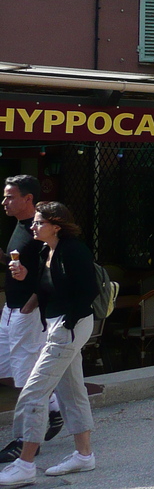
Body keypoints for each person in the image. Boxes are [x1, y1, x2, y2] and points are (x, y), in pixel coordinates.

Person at [0, 202, 99, 486]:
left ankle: (25, 463)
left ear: (56, 225)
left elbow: (88, 290)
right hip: (59, 325)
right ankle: (84, 455)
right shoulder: (47, 250)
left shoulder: (74, 250)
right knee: (71, 390)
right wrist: (26, 279)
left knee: (33, 392)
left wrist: (67, 324)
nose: (33, 226)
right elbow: (49, 287)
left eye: (39, 222)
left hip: (69, 325)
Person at [0, 177, 62, 465]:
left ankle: (27, 441)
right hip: (11, 309)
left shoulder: (41, 232)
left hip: (26, 312)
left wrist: (30, 304)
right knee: (10, 369)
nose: (4, 202)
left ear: (28, 199)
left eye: (10, 196)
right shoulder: (18, 227)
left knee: (27, 377)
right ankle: (53, 411)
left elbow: (49, 272)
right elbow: (19, 264)